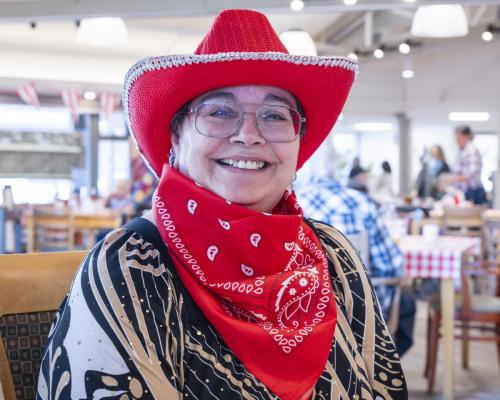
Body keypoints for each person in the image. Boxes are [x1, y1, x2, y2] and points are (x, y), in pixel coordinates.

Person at [36, 10, 407, 400]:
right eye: (219, 111)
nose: (248, 135)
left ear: (298, 143)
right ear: (176, 138)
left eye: (274, 115)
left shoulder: (334, 253)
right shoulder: (132, 266)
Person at [296, 140, 416, 358]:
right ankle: (377, 370)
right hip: (361, 314)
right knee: (407, 301)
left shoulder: (290, 204)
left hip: (301, 313)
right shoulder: (361, 203)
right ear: (336, 166)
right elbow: (393, 265)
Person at [450, 126, 487, 205]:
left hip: (473, 191)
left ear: (466, 136)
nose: (456, 140)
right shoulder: (462, 151)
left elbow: (470, 173)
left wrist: (453, 179)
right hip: (467, 191)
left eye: (458, 137)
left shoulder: (471, 150)